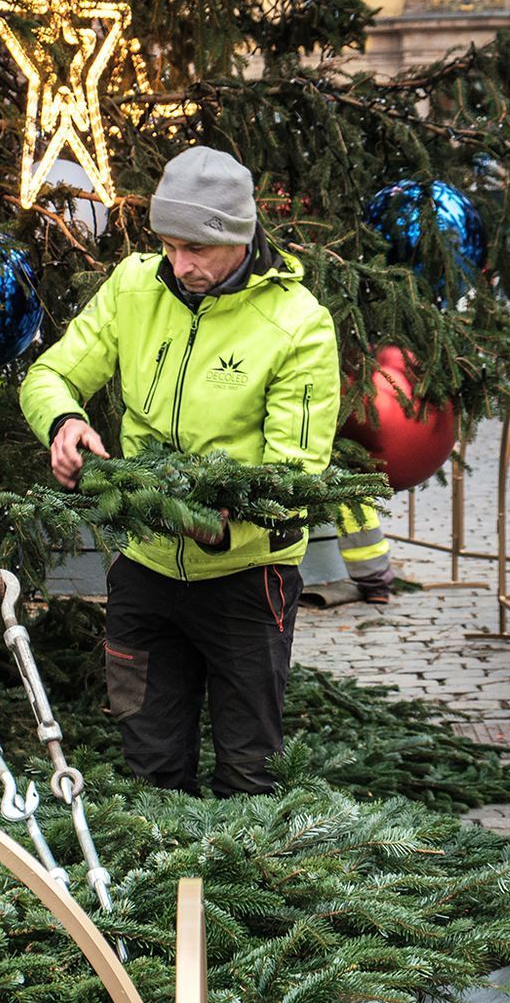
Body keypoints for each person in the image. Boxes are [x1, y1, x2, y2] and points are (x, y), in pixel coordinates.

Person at [19, 146, 340, 797]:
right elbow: (51, 373)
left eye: (196, 248)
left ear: (238, 237)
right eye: (169, 245)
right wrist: (63, 423)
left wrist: (221, 523)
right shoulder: (135, 287)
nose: (180, 264)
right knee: (151, 775)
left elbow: (294, 474)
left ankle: (243, 886)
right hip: (144, 574)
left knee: (251, 776)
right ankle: (160, 893)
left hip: (248, 583)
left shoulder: (298, 325)